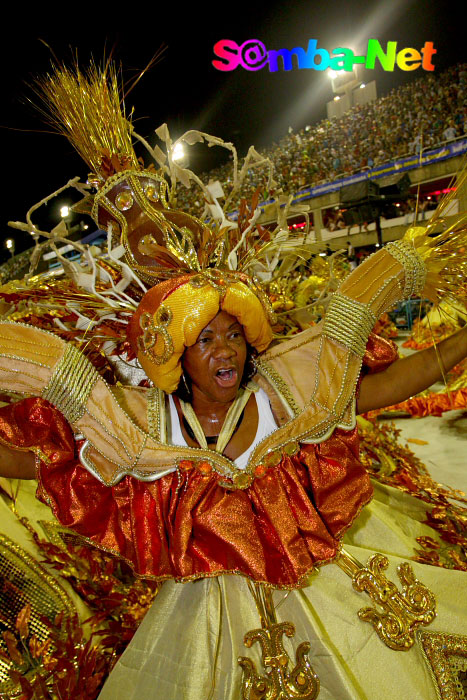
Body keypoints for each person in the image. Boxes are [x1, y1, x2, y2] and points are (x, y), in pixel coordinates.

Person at [1, 61, 466, 700]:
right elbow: (42, 460)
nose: (224, 349)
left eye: (232, 334)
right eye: (205, 339)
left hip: (323, 594)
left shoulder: (284, 388)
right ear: (174, 357)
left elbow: (392, 383)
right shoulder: (145, 422)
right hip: (199, 637)